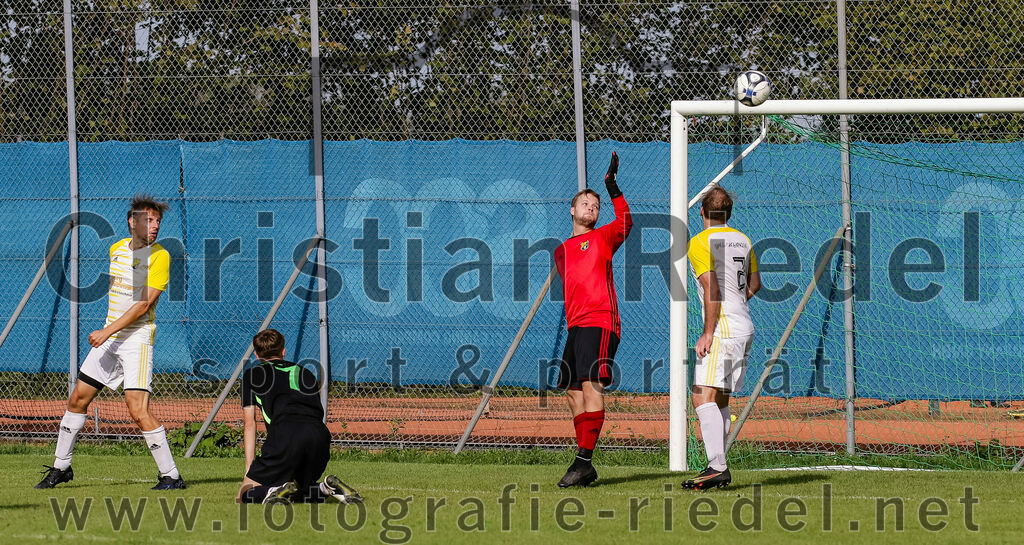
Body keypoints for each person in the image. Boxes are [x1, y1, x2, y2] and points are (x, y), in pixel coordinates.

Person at [36, 195, 185, 490]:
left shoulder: (159, 255)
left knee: (136, 408)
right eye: (148, 220)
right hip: (110, 338)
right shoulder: (116, 249)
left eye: (158, 221)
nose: (154, 226)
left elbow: (142, 306)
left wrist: (107, 332)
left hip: (136, 340)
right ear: (133, 222)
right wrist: (108, 333)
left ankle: (172, 476)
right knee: (78, 398)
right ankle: (61, 467)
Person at [553, 152, 633, 487]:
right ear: (572, 210)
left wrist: (612, 188)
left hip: (600, 322)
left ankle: (583, 461)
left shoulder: (603, 237)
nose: (591, 207)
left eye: (595, 205)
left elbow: (626, 222)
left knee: (590, 386)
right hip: (576, 327)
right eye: (585, 203)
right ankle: (584, 460)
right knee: (572, 392)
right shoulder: (561, 250)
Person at [682, 187, 760, 490]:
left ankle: (717, 466)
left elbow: (712, 290)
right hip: (743, 325)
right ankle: (717, 463)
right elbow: (755, 284)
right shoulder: (743, 239)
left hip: (724, 330)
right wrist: (736, 305)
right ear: (728, 214)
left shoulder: (700, 241)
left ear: (702, 212)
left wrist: (708, 331)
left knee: (701, 396)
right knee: (721, 399)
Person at [236, 329, 361, 504]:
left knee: (244, 494)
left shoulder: (251, 375)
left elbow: (250, 424)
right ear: (284, 351)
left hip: (286, 434)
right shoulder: (305, 372)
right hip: (319, 436)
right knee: (296, 491)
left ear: (256, 355)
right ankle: (326, 488)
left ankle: (273, 490)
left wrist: (250, 467)